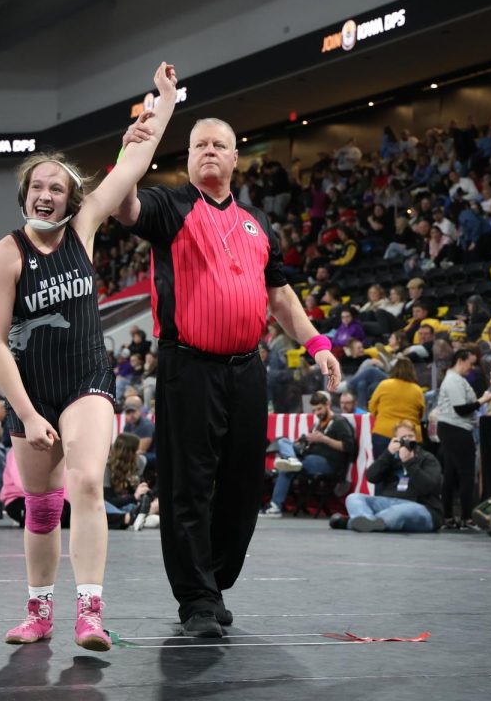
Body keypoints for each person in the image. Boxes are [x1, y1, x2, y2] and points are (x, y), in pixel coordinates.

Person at [113, 115, 341, 639]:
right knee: (188, 485)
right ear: (188, 156)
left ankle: (212, 583)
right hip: (187, 365)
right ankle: (196, 598)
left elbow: (280, 297)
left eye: (220, 144)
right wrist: (132, 154)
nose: (209, 151)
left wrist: (318, 344)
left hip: (245, 369)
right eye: (199, 145)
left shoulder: (259, 221)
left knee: (241, 485)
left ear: (237, 157)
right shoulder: (169, 206)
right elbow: (124, 206)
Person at [0, 63, 178, 652]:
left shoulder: (86, 227)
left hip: (87, 379)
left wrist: (164, 102)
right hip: (29, 392)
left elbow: (135, 162)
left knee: (87, 482)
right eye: (37, 186)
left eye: (56, 187)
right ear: (25, 194)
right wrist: (28, 414)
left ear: (71, 198)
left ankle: (89, 612)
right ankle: (38, 614)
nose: (45, 194)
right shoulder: (4, 257)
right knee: (41, 509)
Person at [330, 421, 442, 533]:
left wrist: (410, 462)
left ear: (416, 438)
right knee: (353, 498)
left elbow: (428, 486)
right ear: (396, 440)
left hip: (421, 507)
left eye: (411, 436)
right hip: (389, 502)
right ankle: (368, 522)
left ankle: (352, 523)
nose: (407, 440)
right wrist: (387, 454)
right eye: (403, 437)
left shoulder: (427, 458)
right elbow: (371, 477)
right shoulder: (391, 458)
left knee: (401, 511)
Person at [262, 391, 355, 517]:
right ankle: (291, 459)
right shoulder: (317, 424)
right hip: (309, 456)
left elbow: (349, 447)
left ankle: (275, 506)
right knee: (283, 441)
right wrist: (304, 441)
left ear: (327, 405)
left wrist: (324, 439)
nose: (317, 413)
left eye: (319, 409)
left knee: (286, 468)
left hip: (327, 462)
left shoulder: (339, 422)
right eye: (314, 410)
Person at [436, 349, 490, 528]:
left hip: (451, 428)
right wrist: (482, 400)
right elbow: (461, 408)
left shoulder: (455, 379)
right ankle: (467, 518)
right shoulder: (453, 381)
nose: (472, 368)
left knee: (451, 474)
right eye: (470, 363)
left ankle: (448, 517)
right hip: (456, 429)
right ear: (460, 360)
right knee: (466, 475)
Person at [366, 355, 425, 459]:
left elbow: (371, 408)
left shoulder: (384, 385)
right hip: (410, 436)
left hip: (383, 433)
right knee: (410, 471)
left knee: (382, 470)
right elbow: (421, 415)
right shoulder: (417, 390)